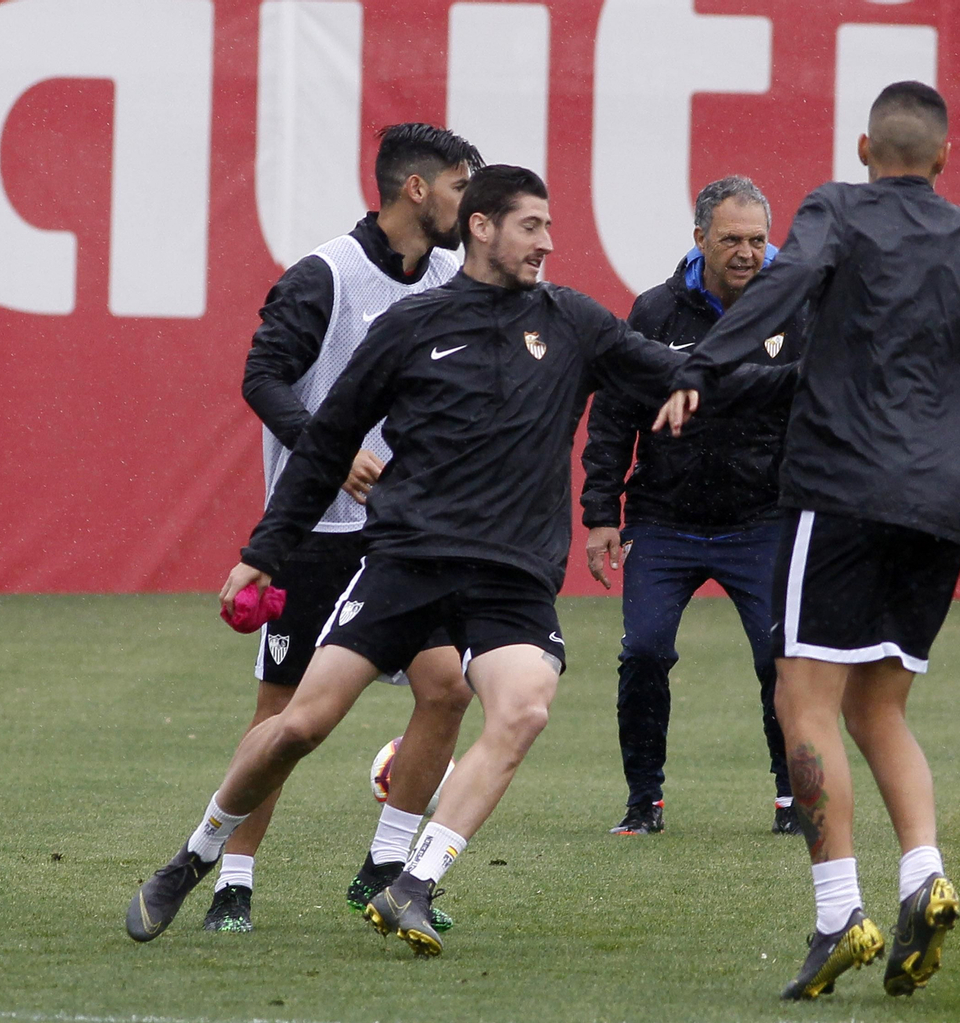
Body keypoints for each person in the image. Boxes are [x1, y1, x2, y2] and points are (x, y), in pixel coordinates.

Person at [126, 164, 795, 955]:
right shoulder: (412, 326)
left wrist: (806, 382)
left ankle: (413, 881)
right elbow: (326, 447)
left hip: (510, 578)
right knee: (300, 724)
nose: (546, 241)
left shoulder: (575, 322)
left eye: (548, 226)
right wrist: (262, 554)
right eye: (530, 225)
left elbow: (686, 375)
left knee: (525, 706)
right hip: (408, 561)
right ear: (481, 227)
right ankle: (195, 855)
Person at [656, 82, 960, 1000]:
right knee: (879, 707)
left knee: (801, 697)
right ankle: (925, 874)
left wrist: (703, 362)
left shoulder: (836, 211)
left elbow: (786, 282)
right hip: (937, 506)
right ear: (943, 156)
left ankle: (838, 910)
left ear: (862, 146)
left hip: (839, 490)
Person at [203, 123, 482, 934]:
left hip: (404, 531)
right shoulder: (326, 274)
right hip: (319, 531)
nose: (471, 204)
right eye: (461, 186)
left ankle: (383, 870)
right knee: (282, 717)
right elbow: (262, 376)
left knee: (447, 687)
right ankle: (233, 881)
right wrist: (333, 448)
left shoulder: (451, 279)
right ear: (417, 189)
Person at [582, 175, 808, 837]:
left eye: (759, 240)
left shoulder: (793, 307)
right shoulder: (654, 312)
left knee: (781, 662)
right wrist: (602, 513)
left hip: (763, 519)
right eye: (732, 239)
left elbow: (819, 403)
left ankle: (793, 798)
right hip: (663, 519)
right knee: (645, 651)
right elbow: (612, 416)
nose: (747, 252)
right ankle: (643, 802)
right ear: (699, 238)